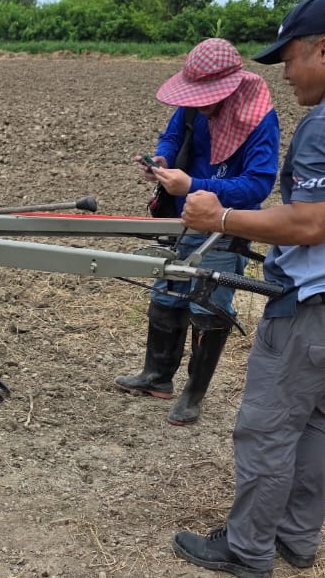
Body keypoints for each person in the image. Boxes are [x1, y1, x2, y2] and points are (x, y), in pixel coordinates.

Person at [170, 0, 325, 578]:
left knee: (265, 426)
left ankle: (247, 549)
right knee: (307, 419)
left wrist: (220, 220)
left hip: (319, 305)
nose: (284, 72)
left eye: (291, 57)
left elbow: (310, 224)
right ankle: (296, 536)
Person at [115, 38, 280, 425]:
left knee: (209, 303)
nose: (200, 104)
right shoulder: (191, 107)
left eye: (208, 97)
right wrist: (162, 159)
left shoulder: (259, 120)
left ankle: (193, 393)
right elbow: (173, 136)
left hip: (224, 224)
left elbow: (257, 185)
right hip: (180, 216)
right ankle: (157, 376)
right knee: (167, 290)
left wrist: (194, 185)